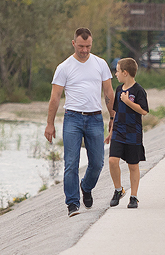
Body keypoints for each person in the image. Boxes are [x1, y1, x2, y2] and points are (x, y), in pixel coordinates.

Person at [45, 27, 114, 217]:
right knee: (71, 163)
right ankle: (72, 203)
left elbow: (108, 93)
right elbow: (55, 97)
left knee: (98, 162)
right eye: (81, 46)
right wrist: (50, 124)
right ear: (74, 43)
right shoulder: (64, 67)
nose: (84, 50)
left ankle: (86, 186)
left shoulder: (100, 64)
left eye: (88, 46)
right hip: (72, 118)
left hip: (95, 118)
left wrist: (113, 117)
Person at [105, 57, 148, 209]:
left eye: (117, 71)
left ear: (125, 72)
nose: (115, 74)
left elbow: (144, 111)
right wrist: (111, 132)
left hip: (133, 133)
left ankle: (134, 197)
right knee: (112, 161)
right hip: (118, 131)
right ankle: (118, 190)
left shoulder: (138, 90)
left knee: (133, 166)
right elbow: (116, 112)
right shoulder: (118, 90)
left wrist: (128, 101)